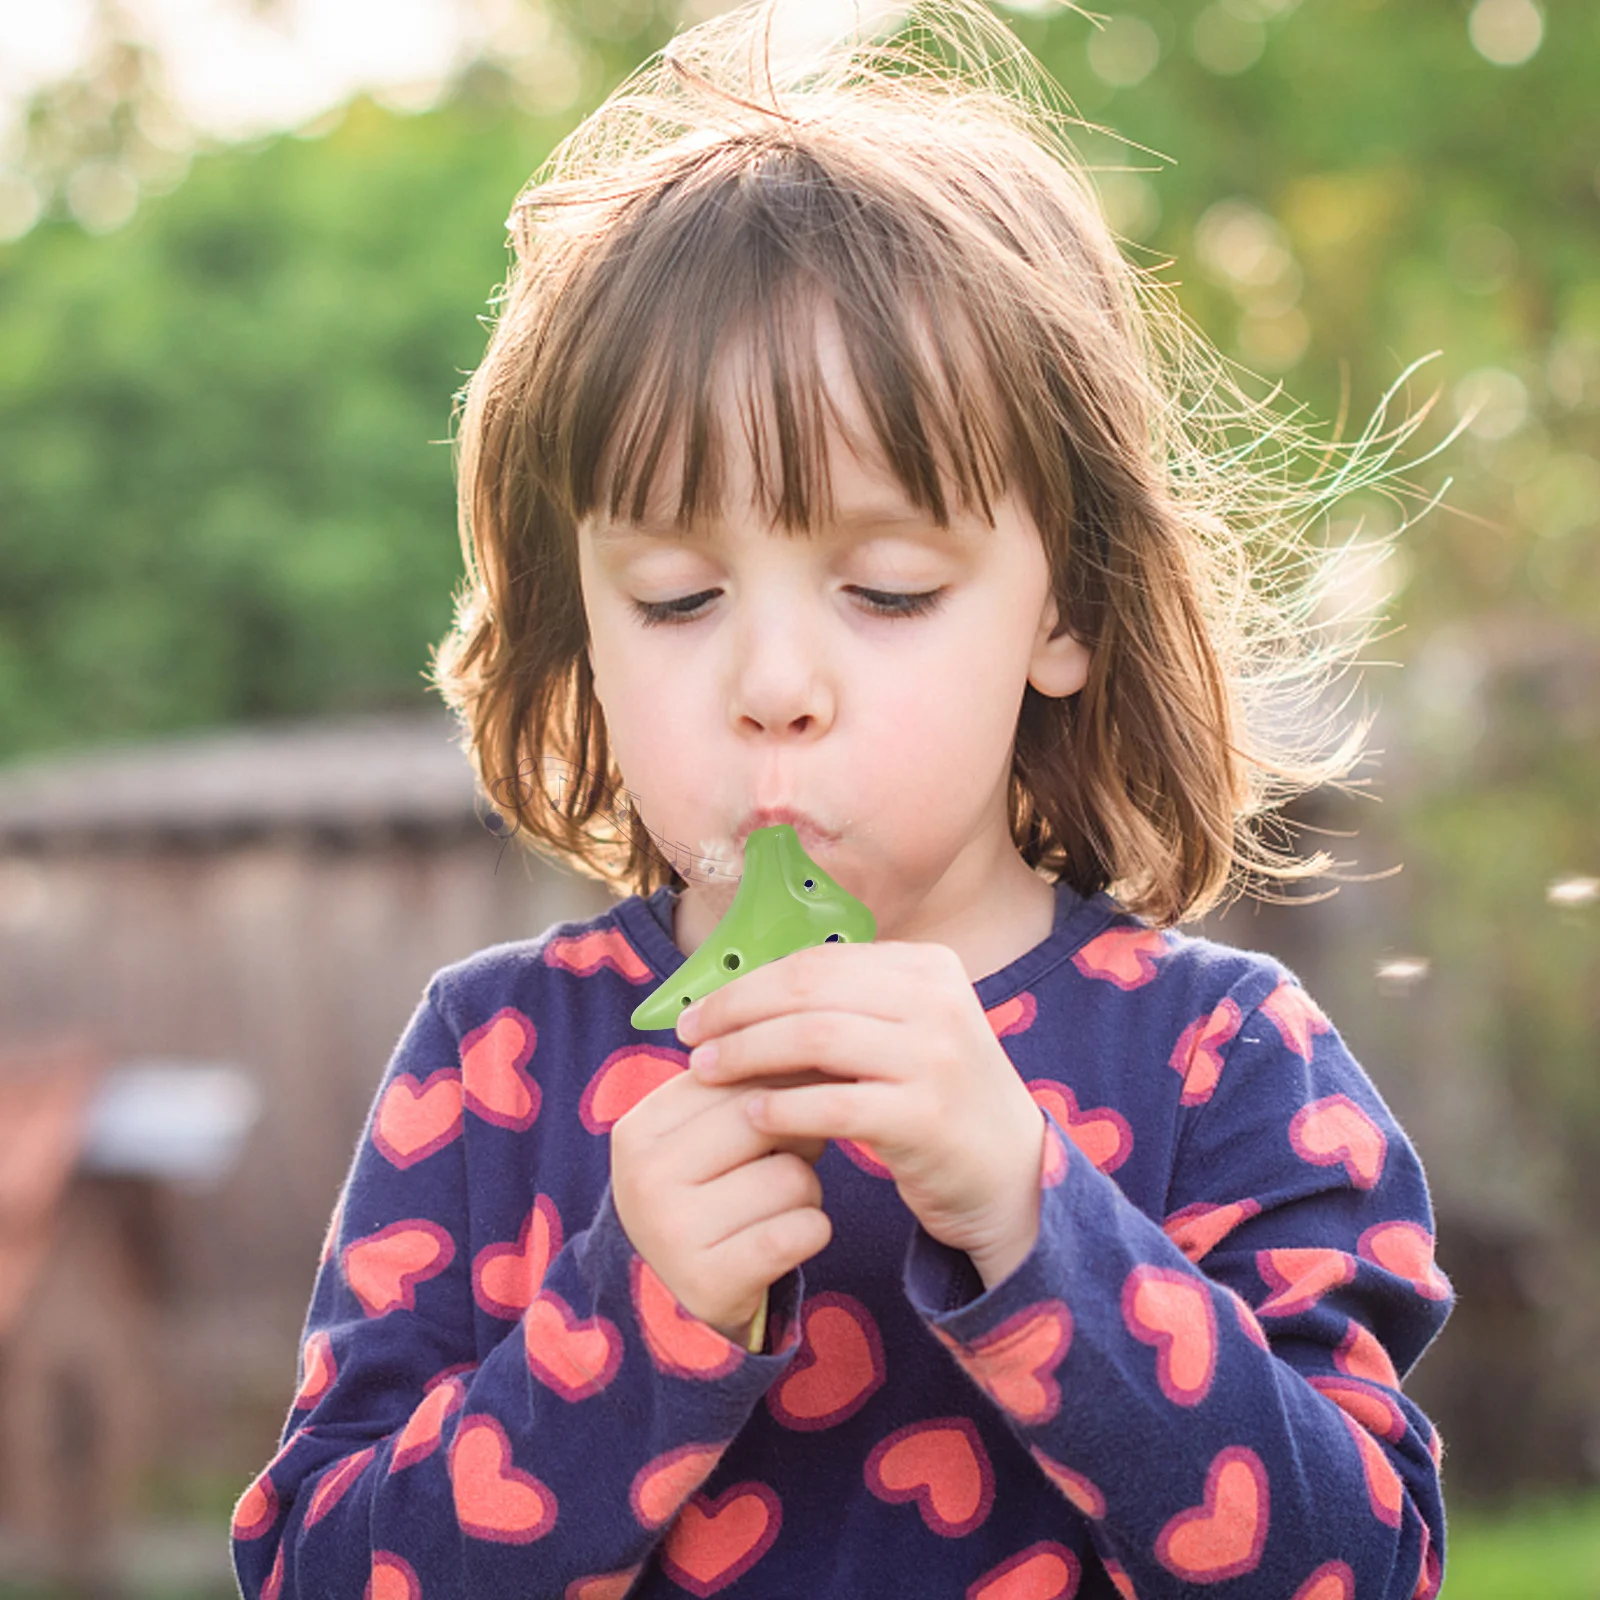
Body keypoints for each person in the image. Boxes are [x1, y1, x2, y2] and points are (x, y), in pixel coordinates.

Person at [230, 0, 1453, 1594]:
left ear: (1066, 609)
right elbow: (317, 1573)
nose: (774, 681)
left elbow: (1362, 1565)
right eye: (676, 597)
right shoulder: (499, 1063)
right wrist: (628, 1323)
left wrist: (1039, 1222)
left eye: (886, 589)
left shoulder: (1220, 1059)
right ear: (580, 627)